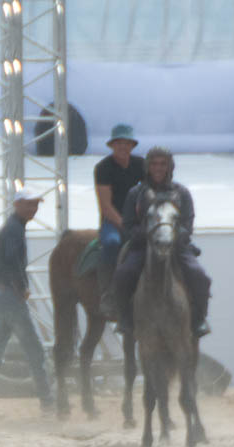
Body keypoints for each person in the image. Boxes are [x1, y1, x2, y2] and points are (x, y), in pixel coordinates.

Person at [113, 146, 211, 340]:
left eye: (163, 164)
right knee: (123, 274)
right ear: (147, 166)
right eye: (154, 164)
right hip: (144, 247)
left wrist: (173, 236)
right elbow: (128, 224)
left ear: (170, 167)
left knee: (200, 276)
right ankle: (125, 319)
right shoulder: (136, 193)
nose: (158, 168)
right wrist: (148, 235)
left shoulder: (181, 192)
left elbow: (188, 222)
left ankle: (198, 319)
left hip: (176, 247)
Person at [0, 189, 54, 417]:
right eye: (29, 204)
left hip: (3, 296)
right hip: (11, 297)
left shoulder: (12, 228)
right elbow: (10, 261)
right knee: (35, 350)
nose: (33, 209)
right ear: (17, 204)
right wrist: (22, 286)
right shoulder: (13, 230)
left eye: (35, 204)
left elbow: (2, 260)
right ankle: (47, 402)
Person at [93, 124, 145, 321]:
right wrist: (125, 225)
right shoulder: (103, 168)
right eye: (119, 143)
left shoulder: (141, 164)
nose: (123, 147)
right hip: (112, 221)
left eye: (127, 143)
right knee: (112, 243)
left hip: (137, 219)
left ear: (132, 146)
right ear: (112, 145)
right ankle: (107, 293)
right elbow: (105, 206)